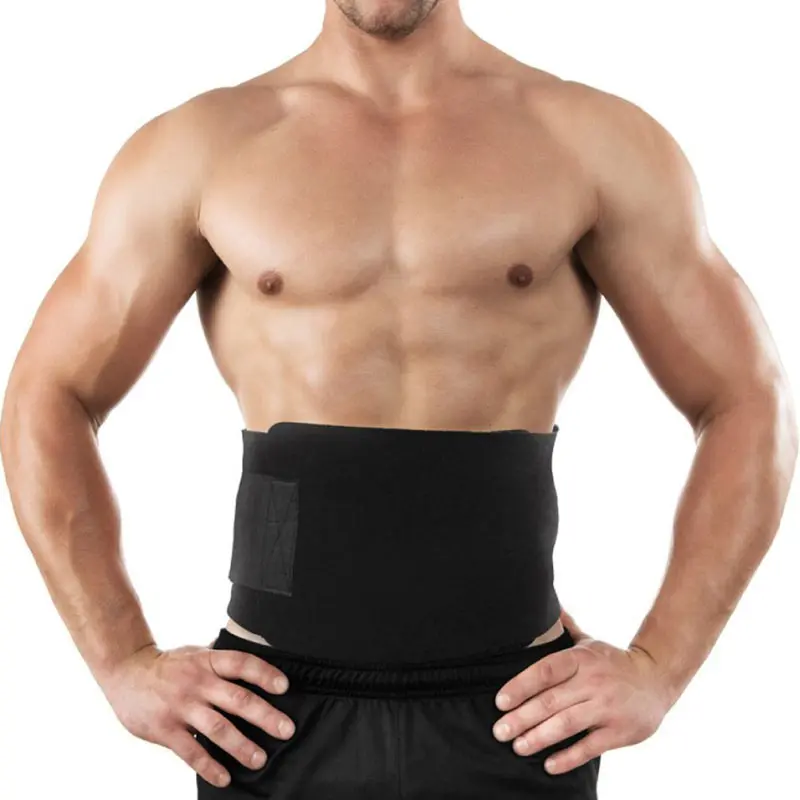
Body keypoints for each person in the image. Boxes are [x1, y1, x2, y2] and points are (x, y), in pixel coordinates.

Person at [1, 1, 796, 798]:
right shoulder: (203, 148)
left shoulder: (590, 141)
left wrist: (659, 667)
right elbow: (49, 391)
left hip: (519, 713)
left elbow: (746, 397)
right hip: (270, 713)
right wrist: (122, 662)